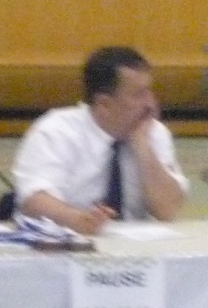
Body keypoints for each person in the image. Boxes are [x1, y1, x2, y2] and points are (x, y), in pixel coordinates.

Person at [11, 46, 189, 235]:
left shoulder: (154, 133)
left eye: (149, 92)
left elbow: (167, 211)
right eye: (139, 95)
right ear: (104, 104)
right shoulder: (56, 131)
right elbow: (34, 200)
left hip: (134, 246)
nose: (150, 104)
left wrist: (143, 147)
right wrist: (75, 219)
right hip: (67, 241)